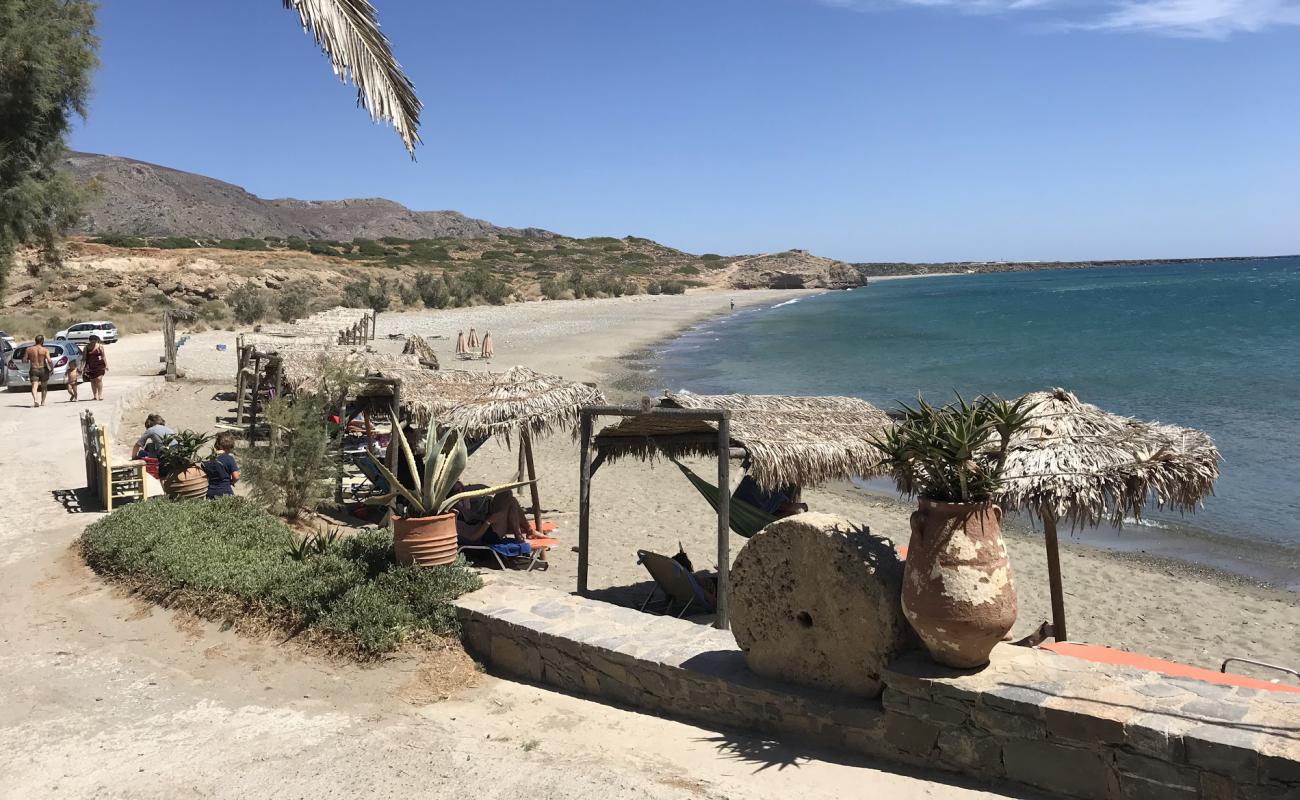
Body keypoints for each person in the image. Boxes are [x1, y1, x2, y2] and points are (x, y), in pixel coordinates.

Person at [453, 480, 530, 545]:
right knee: (511, 502)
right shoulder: (454, 514)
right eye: (457, 490)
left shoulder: (465, 502)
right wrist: (489, 521)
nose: (461, 491)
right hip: (486, 535)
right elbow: (473, 538)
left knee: (506, 493)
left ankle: (526, 531)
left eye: (462, 489)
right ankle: (521, 534)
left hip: (486, 526)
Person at [202, 432, 240, 498]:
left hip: (211, 492)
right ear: (230, 446)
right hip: (225, 492)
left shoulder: (206, 460)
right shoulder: (229, 459)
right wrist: (231, 482)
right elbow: (236, 477)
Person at [22, 335, 53, 407]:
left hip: (34, 369)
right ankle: (43, 401)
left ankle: (35, 399)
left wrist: (26, 360)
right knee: (44, 386)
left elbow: (24, 360)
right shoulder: (45, 350)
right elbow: (49, 360)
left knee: (34, 386)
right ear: (42, 341)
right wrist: (52, 368)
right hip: (43, 369)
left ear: (35, 340)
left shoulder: (29, 349)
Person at [82, 334, 108, 401]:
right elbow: (84, 358)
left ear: (96, 341)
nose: (93, 343)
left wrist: (106, 365)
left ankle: (100, 395)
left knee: (99, 379)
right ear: (89, 341)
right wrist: (82, 367)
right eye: (92, 341)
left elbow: (103, 356)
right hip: (90, 366)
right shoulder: (86, 348)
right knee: (93, 380)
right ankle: (95, 396)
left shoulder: (100, 346)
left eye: (94, 341)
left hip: (100, 365)